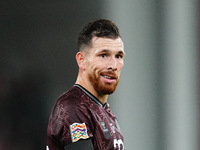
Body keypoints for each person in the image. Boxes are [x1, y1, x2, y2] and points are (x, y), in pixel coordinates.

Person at [46, 19, 125, 150]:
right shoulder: (73, 107)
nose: (113, 65)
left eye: (118, 56)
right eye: (103, 55)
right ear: (81, 60)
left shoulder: (104, 111)